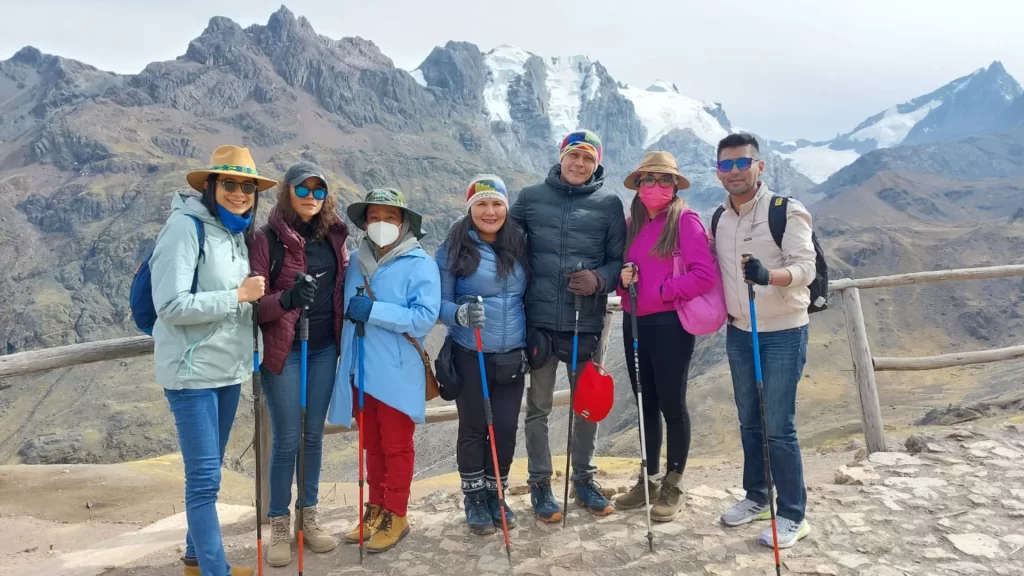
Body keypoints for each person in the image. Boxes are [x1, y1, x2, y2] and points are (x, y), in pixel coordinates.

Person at [150, 145, 275, 576]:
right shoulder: (184, 229)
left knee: (211, 473)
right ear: (210, 185)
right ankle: (214, 570)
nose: (240, 193)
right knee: (204, 483)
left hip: (225, 370)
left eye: (247, 186)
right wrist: (237, 295)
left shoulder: (232, 231)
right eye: (230, 184)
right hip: (192, 374)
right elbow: (170, 306)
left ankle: (194, 558)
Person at [510, 129, 627, 522]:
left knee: (587, 406)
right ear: (561, 157)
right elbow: (501, 244)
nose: (579, 164)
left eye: (587, 159)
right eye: (573, 156)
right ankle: (540, 485)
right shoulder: (529, 199)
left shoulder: (609, 204)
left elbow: (617, 261)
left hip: (585, 319)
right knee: (538, 408)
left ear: (597, 163)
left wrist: (599, 279)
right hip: (539, 321)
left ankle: (583, 481)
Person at [711, 133, 816, 549]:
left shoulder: (786, 211)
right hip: (740, 330)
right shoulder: (719, 218)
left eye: (742, 163)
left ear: (760, 166)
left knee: (778, 426)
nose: (735, 172)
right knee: (749, 421)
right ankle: (758, 496)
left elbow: (805, 267)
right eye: (726, 165)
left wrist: (769, 276)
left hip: (784, 331)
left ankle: (793, 514)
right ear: (717, 172)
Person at [247, 162, 350, 567]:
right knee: (287, 439)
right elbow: (255, 307)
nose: (310, 197)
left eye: (318, 190)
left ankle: (309, 516)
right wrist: (288, 299)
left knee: (313, 437)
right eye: (302, 190)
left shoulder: (335, 235)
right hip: (285, 351)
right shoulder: (265, 240)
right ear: (287, 192)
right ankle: (278, 522)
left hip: (323, 348)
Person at [327, 188, 440, 554]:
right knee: (371, 446)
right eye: (374, 217)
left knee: (395, 446)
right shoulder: (355, 262)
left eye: (390, 218)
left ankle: (397, 513)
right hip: (359, 368)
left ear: (404, 224)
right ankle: (374, 510)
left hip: (395, 369)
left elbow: (424, 318)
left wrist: (374, 312)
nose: (381, 224)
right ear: (364, 222)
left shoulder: (420, 263)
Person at [614, 151, 718, 522]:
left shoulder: (684, 220)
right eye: (648, 180)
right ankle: (649, 479)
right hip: (635, 323)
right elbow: (619, 274)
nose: (655, 187)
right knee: (645, 402)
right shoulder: (633, 223)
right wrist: (622, 281)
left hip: (670, 325)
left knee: (671, 404)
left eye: (663, 180)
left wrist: (660, 291)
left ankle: (673, 482)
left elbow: (704, 274)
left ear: (674, 186)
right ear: (639, 185)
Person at [435, 175, 529, 535]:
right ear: (470, 208)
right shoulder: (452, 249)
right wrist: (457, 314)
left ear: (506, 207)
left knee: (504, 428)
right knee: (475, 428)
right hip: (469, 351)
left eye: (497, 204)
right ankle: (474, 498)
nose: (490, 212)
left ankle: (496, 494)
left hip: (512, 354)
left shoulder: (520, 244)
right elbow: (438, 303)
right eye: (481, 204)